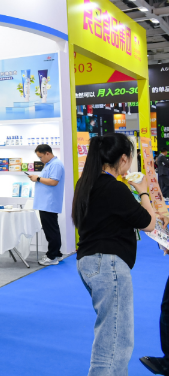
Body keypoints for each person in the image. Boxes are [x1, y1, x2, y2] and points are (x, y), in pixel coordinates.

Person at [73, 133, 156, 376]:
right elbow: (148, 223)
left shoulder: (87, 183)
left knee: (110, 333)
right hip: (108, 264)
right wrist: (143, 191)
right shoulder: (114, 187)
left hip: (90, 262)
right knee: (115, 340)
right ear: (123, 159)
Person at [27, 144, 65, 265]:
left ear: (47, 153)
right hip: (45, 202)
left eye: (41, 157)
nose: (40, 160)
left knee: (51, 230)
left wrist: (38, 178)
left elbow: (53, 181)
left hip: (49, 202)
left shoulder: (56, 164)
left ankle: (51, 256)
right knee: (52, 229)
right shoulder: (49, 164)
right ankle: (56, 253)